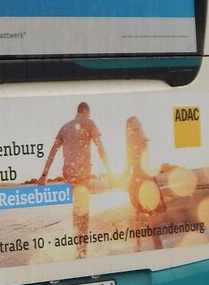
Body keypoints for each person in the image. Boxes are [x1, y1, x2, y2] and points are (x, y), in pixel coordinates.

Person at [38, 101, 111, 257]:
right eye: (89, 113)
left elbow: (53, 151)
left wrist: (44, 175)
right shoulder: (89, 122)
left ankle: (78, 249)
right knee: (83, 212)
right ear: (85, 110)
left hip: (69, 175)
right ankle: (82, 252)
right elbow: (100, 147)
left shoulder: (65, 127)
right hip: (83, 174)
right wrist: (109, 170)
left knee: (76, 211)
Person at [120, 116, 165, 250]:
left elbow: (128, 167)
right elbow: (147, 164)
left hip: (136, 182)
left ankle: (138, 251)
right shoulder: (143, 141)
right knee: (153, 228)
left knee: (138, 220)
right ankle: (159, 251)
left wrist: (118, 178)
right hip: (147, 181)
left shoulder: (129, 144)